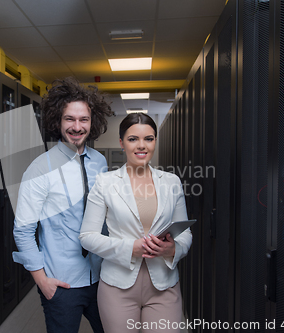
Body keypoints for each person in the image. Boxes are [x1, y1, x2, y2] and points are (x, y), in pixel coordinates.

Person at [12, 77, 113, 333]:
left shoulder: (99, 162)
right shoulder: (39, 169)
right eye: (70, 119)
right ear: (58, 120)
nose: (77, 127)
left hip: (102, 278)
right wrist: (42, 281)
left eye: (83, 119)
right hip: (62, 284)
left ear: (93, 122)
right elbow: (23, 230)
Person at [79, 113, 192, 333]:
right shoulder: (105, 183)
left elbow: (185, 233)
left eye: (148, 138)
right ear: (121, 143)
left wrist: (173, 248)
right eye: (133, 139)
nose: (141, 145)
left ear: (155, 141)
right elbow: (87, 237)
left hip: (164, 285)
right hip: (117, 287)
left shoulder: (172, 182)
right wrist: (131, 248)